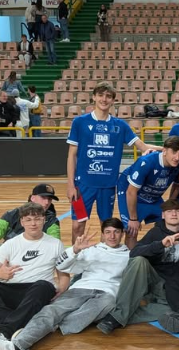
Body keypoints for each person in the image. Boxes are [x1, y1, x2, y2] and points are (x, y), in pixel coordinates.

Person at [0, 218, 129, 350]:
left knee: (107, 304)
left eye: (116, 232)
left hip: (107, 293)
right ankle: (16, 347)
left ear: (122, 234)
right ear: (102, 234)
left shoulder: (129, 255)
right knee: (51, 311)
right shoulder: (92, 250)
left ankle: (50, 325)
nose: (112, 236)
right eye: (108, 232)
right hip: (81, 288)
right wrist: (75, 250)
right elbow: (62, 265)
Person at [66, 82, 159, 243]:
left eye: (108, 96)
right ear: (94, 97)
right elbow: (71, 155)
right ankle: (76, 255)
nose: (104, 99)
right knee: (77, 225)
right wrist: (70, 185)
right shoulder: (79, 122)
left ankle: (105, 255)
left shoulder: (120, 125)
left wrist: (167, 150)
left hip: (107, 186)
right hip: (82, 186)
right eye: (100, 95)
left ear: (113, 100)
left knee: (106, 226)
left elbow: (143, 147)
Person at [96, 200, 179, 335]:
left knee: (175, 308)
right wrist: (161, 244)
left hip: (168, 285)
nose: (174, 214)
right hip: (150, 280)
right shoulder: (155, 232)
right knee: (139, 261)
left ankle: (115, 316)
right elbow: (134, 252)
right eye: (169, 211)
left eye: (178, 211)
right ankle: (117, 316)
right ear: (163, 215)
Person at [0, 203, 68, 350]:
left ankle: (4, 332)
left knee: (43, 285)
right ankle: (20, 322)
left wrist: (62, 289)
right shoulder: (10, 244)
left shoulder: (56, 244)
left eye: (37, 219)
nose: (33, 223)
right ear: (22, 222)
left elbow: (63, 274)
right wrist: (1, 273)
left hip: (37, 291)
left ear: (44, 220)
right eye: (28, 219)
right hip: (12, 288)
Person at [117, 136, 179, 249]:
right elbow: (131, 191)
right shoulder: (146, 162)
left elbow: (177, 186)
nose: (177, 157)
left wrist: (169, 206)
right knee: (131, 230)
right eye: (173, 152)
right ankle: (132, 258)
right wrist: (133, 219)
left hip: (153, 196)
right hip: (131, 193)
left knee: (169, 224)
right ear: (164, 151)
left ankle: (160, 255)